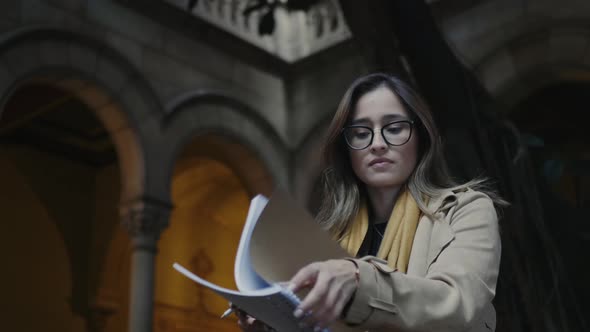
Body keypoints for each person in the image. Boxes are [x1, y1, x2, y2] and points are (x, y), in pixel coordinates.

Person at [238, 73, 503, 332]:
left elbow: (458, 305)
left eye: (395, 128)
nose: (377, 143)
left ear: (420, 138)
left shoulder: (467, 209)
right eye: (361, 132)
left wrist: (358, 279)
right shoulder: (327, 236)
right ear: (347, 148)